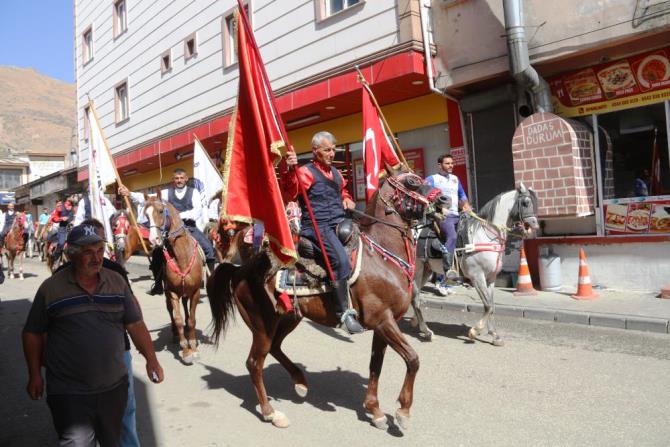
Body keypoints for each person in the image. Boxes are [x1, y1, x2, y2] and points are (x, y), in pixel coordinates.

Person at [22, 223, 164, 446]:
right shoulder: (51, 288)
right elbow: (32, 333)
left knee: (112, 440)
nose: (96, 258)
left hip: (113, 389)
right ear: (71, 255)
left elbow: (135, 324)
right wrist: (34, 374)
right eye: (88, 252)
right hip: (69, 393)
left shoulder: (116, 281)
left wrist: (152, 360)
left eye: (99, 251)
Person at [53, 218, 141, 446]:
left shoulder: (116, 272)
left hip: (118, 356)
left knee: (125, 412)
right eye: (88, 249)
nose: (96, 255)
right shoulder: (57, 279)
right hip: (73, 368)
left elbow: (134, 315)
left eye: (100, 246)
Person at [283, 131, 364, 334]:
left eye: (333, 149)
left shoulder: (336, 173)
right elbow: (291, 191)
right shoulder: (306, 172)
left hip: (339, 220)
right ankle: (344, 313)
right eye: (327, 150)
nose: (332, 153)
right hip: (318, 226)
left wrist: (347, 198)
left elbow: (342, 191)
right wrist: (289, 169)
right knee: (341, 261)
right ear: (315, 151)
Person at [118, 168, 216, 294]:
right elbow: (150, 198)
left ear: (186, 179)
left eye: (181, 178)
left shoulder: (194, 192)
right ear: (173, 180)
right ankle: (158, 284)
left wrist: (177, 215)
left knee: (208, 249)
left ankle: (212, 282)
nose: (179, 180)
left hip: (189, 227)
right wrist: (129, 193)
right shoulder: (166, 193)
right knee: (157, 253)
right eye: (176, 178)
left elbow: (197, 210)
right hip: (171, 230)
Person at [425, 154, 471, 296]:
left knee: (469, 237)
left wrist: (466, 205)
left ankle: (466, 274)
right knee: (451, 237)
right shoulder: (432, 179)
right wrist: (438, 207)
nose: (451, 165)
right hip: (443, 217)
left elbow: (462, 195)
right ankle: (442, 278)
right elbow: (424, 193)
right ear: (440, 165)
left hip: (458, 215)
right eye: (447, 163)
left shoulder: (455, 179)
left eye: (452, 163)